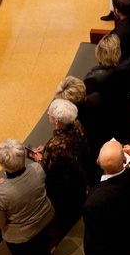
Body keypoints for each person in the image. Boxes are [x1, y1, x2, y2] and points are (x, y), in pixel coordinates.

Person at [28, 99, 90, 234]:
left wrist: (40, 158)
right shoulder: (76, 124)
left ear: (56, 121)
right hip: (80, 173)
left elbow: (46, 169)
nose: (47, 115)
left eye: (49, 113)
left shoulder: (54, 146)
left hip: (64, 186)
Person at [83, 34, 130, 144]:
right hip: (128, 115)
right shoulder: (129, 65)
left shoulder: (93, 78)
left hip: (107, 124)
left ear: (99, 52)